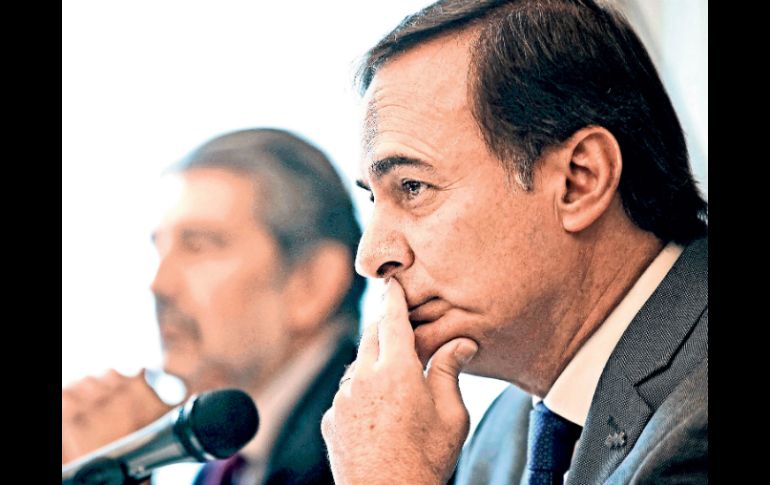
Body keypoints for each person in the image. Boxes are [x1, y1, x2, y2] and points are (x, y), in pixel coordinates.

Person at [321, 1, 707, 484]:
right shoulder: (502, 434)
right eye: (374, 199)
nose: (370, 257)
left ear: (579, 181)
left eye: (413, 187)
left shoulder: (697, 424)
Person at [62, 128, 365, 485]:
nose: (159, 284)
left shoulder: (370, 448)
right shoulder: (222, 460)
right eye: (160, 248)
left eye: (198, 246)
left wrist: (110, 471)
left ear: (311, 282)